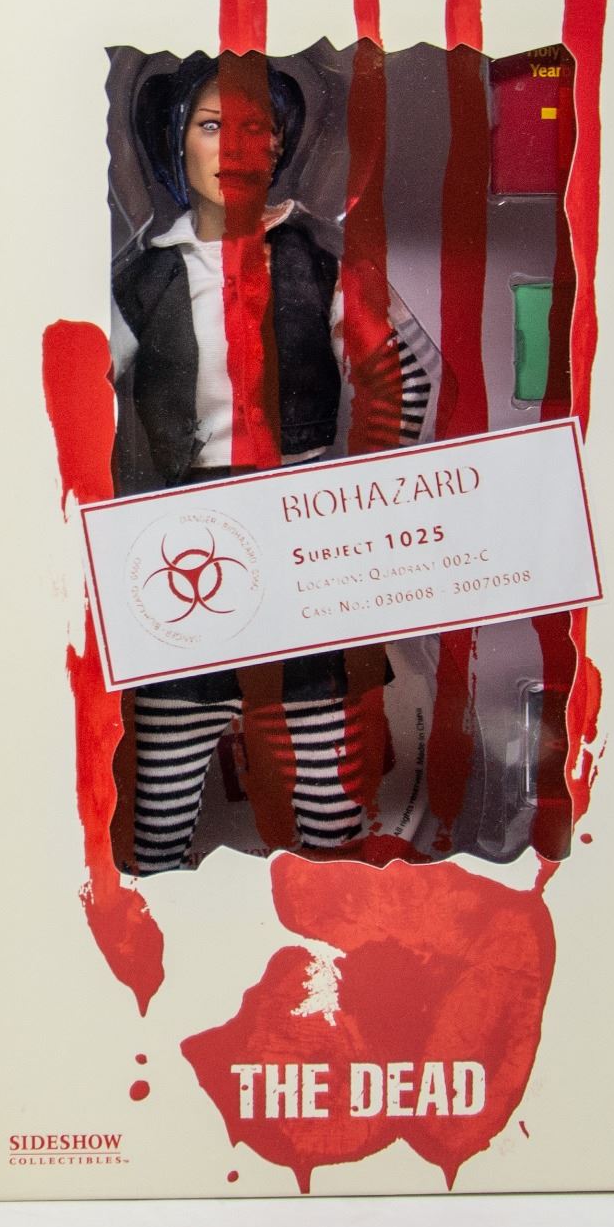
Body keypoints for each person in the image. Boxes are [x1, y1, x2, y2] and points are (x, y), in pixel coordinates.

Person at [109, 52, 437, 873]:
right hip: (186, 552)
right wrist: (107, 512)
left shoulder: (318, 265)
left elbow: (404, 372)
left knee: (330, 798)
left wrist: (362, 498)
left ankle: (336, 926)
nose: (234, 147)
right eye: (212, 125)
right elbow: (73, 397)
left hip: (300, 548)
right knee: (157, 811)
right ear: (177, 143)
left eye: (256, 128)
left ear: (283, 144)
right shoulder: (144, 282)